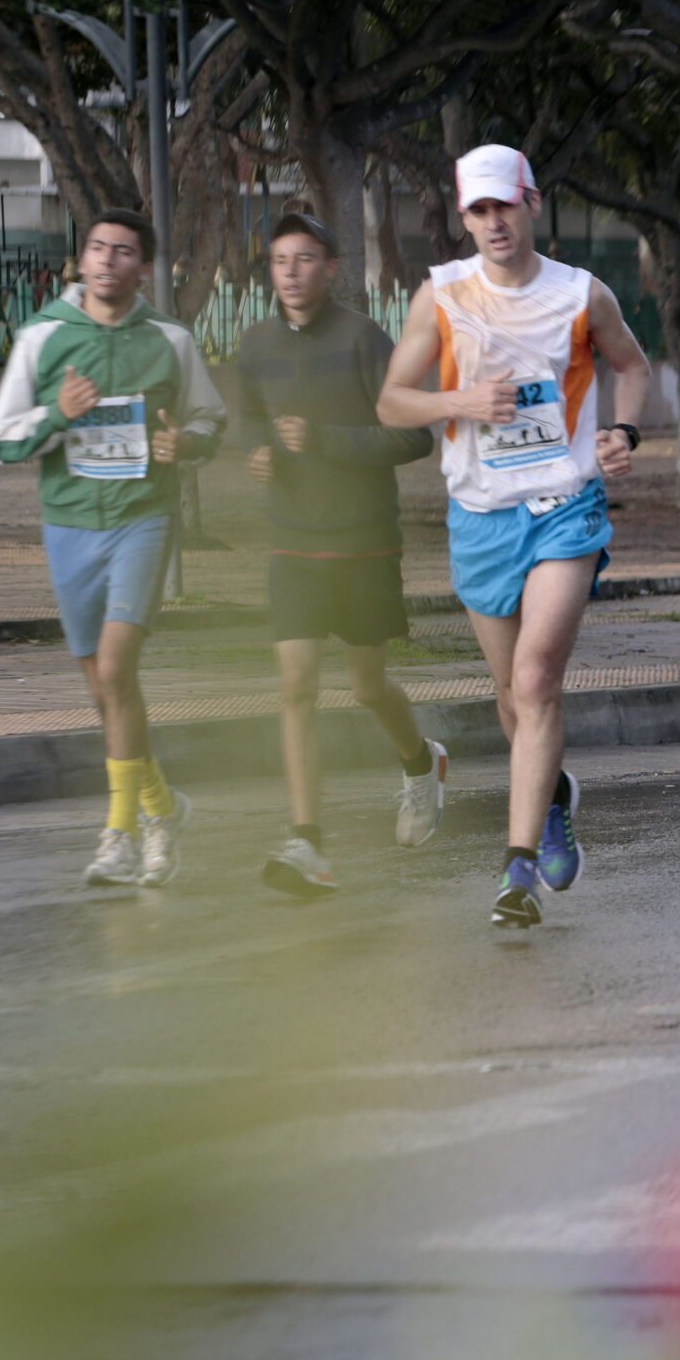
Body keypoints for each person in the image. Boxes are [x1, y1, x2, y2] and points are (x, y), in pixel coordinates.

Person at [375, 146, 654, 927]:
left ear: (532, 203)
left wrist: (623, 429)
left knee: (535, 683)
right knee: (511, 697)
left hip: (564, 505)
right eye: (479, 210)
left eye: (506, 206)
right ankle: (554, 794)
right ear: (464, 217)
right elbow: (394, 403)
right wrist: (458, 401)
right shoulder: (441, 295)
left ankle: (517, 868)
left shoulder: (580, 293)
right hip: (480, 514)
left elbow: (634, 365)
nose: (494, 222)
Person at [0, 209, 226, 888]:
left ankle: (120, 836)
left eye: (124, 252)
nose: (108, 261)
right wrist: (60, 413)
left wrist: (190, 443)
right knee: (103, 689)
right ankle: (163, 806)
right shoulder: (43, 336)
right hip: (68, 525)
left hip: (143, 518)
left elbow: (210, 417)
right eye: (97, 249)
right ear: (81, 261)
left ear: (143, 268)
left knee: (117, 669)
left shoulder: (170, 341)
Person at [231, 213, 444, 895]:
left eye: (306, 259)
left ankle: (420, 763)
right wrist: (258, 451)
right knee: (295, 683)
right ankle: (307, 842)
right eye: (280, 260)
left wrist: (325, 439)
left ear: (332, 270)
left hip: (362, 541)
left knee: (364, 685)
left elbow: (416, 438)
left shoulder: (364, 340)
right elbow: (249, 420)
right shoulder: (256, 344)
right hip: (291, 541)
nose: (292, 272)